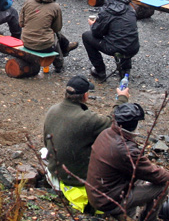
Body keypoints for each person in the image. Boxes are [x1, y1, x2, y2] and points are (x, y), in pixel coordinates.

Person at [86, 103, 169, 221]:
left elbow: (139, 167)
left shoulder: (106, 133)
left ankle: (131, 213)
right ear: (135, 125)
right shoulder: (126, 149)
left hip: (96, 193)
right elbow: (152, 173)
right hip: (108, 202)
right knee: (162, 186)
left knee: (140, 178)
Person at [43, 76, 128, 210]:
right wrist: (122, 98)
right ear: (85, 95)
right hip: (75, 179)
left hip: (55, 169)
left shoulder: (52, 110)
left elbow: (45, 141)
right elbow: (114, 122)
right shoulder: (87, 119)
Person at [83, 0, 139, 81]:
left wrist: (93, 25)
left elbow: (97, 33)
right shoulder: (130, 8)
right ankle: (125, 70)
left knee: (86, 36)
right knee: (125, 36)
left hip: (115, 48)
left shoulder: (106, 11)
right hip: (133, 47)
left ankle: (100, 71)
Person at [20, 0, 78, 71]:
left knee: (52, 34)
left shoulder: (28, 1)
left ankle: (66, 47)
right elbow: (57, 28)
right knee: (55, 35)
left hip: (26, 42)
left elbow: (21, 23)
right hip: (44, 46)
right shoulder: (55, 7)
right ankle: (59, 63)